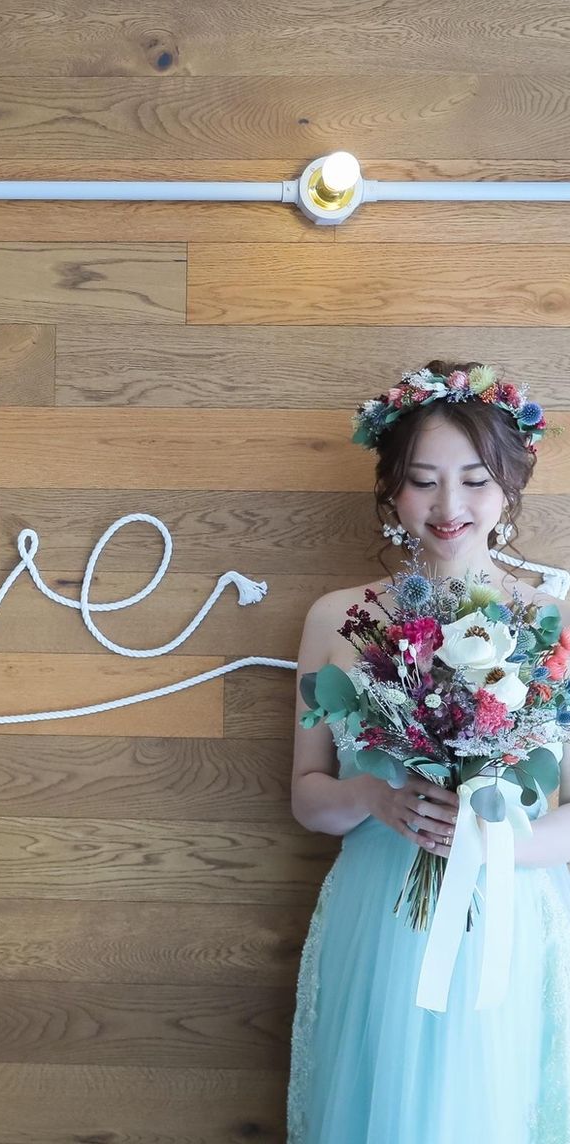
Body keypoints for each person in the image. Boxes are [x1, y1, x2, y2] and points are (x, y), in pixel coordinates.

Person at [289, 360, 570, 1143]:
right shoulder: (336, 618)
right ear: (391, 489)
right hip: (379, 911)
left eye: (475, 481)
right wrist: (373, 798)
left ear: (510, 487)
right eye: (423, 481)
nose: (450, 507)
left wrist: (491, 842)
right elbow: (308, 795)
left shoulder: (556, 623)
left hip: (507, 914)